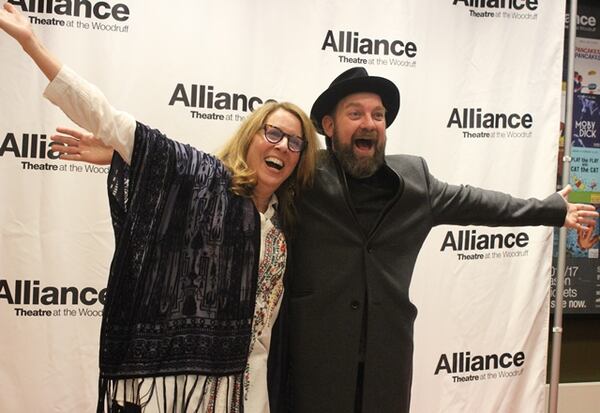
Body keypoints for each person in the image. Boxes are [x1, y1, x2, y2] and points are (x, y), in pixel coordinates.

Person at [0, 3, 319, 413]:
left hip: (246, 390)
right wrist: (32, 44)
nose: (281, 146)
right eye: (273, 133)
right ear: (251, 137)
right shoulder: (202, 181)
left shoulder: (281, 227)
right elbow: (110, 121)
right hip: (175, 386)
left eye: (295, 142)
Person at [284, 67, 598, 413]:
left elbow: (478, 203)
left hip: (387, 362)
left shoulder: (415, 182)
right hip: (313, 361)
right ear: (329, 126)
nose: (369, 123)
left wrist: (552, 211)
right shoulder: (304, 176)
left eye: (378, 115)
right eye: (355, 113)